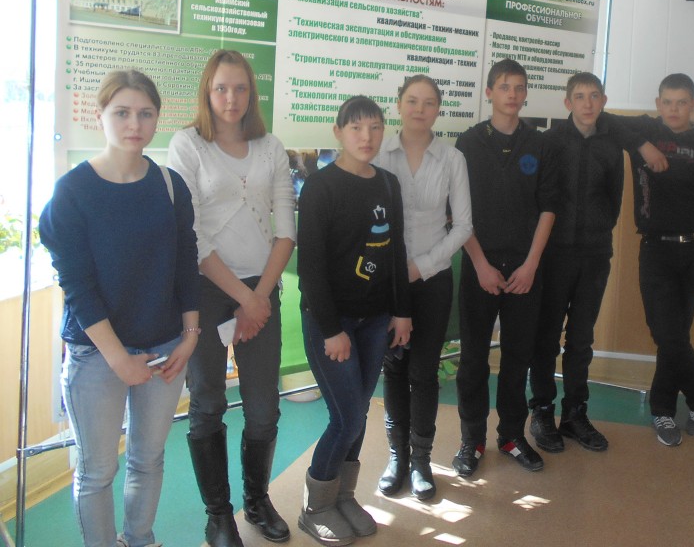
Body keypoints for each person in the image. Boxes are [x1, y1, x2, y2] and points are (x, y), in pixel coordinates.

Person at [39, 70, 200, 547]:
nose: (134, 124)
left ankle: (140, 538)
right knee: (97, 471)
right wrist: (118, 359)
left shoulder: (169, 185)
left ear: (157, 118)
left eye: (145, 113)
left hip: (164, 346)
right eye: (122, 112)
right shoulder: (72, 192)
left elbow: (185, 261)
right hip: (97, 354)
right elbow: (77, 285)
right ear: (100, 116)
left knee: (148, 458)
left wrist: (190, 336)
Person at [166, 50, 296, 546]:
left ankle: (256, 501)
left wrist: (258, 297)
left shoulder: (270, 146)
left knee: (263, 408)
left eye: (240, 88)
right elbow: (191, 233)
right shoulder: (187, 145)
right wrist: (245, 297)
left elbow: (286, 229)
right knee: (207, 402)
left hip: (261, 287)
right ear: (207, 90)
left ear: (251, 93)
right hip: (205, 291)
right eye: (221, 87)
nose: (231, 98)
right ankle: (218, 515)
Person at [296, 96, 413, 545]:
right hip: (333, 323)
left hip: (375, 320)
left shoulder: (387, 184)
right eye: (356, 128)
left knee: (359, 415)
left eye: (375, 127)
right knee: (346, 417)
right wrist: (332, 330)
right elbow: (311, 269)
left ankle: (343, 498)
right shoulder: (320, 187)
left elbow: (396, 253)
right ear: (338, 132)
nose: (367, 137)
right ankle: (315, 507)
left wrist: (401, 310)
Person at [609, 73, 694, 446]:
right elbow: (604, 119)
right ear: (658, 104)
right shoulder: (646, 130)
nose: (674, 109)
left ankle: (663, 410)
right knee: (665, 330)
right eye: (667, 102)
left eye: (682, 102)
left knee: (675, 334)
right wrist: (642, 146)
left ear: (693, 105)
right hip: (655, 249)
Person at [452, 58, 559, 476]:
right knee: (473, 359)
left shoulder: (539, 143)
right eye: (504, 86)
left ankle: (512, 436)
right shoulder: (468, 142)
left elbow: (549, 207)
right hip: (480, 266)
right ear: (489, 92)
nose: (512, 94)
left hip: (525, 270)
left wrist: (531, 265)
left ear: (526, 93)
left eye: (519, 87)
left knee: (518, 357)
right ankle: (472, 440)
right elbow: (458, 212)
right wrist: (479, 264)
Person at [374, 75, 472, 500]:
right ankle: (396, 457)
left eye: (429, 102)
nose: (419, 109)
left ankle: (421, 461)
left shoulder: (452, 158)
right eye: (412, 100)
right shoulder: (378, 153)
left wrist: (422, 267)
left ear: (438, 110)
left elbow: (463, 226)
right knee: (394, 367)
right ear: (398, 104)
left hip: (433, 281)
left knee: (423, 371)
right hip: (386, 282)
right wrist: (396, 271)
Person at [528, 73, 623, 454]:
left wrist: (596, 233)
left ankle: (574, 414)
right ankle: (542, 411)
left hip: (595, 255)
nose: (587, 103)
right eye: (580, 97)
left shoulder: (611, 146)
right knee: (546, 337)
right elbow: (540, 198)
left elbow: (614, 201)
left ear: (603, 101)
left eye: (594, 96)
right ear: (567, 103)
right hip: (554, 256)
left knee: (581, 340)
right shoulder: (550, 142)